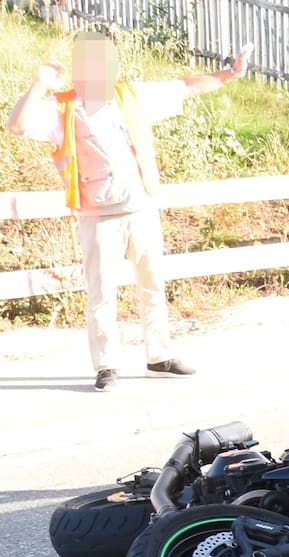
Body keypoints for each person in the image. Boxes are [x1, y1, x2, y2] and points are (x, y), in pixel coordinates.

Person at [5, 32, 252, 391]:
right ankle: (107, 365)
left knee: (152, 284)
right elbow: (16, 125)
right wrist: (39, 84)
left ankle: (159, 356)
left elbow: (185, 87)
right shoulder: (62, 108)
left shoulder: (131, 96)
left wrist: (230, 74)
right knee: (102, 293)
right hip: (97, 215)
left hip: (140, 208)